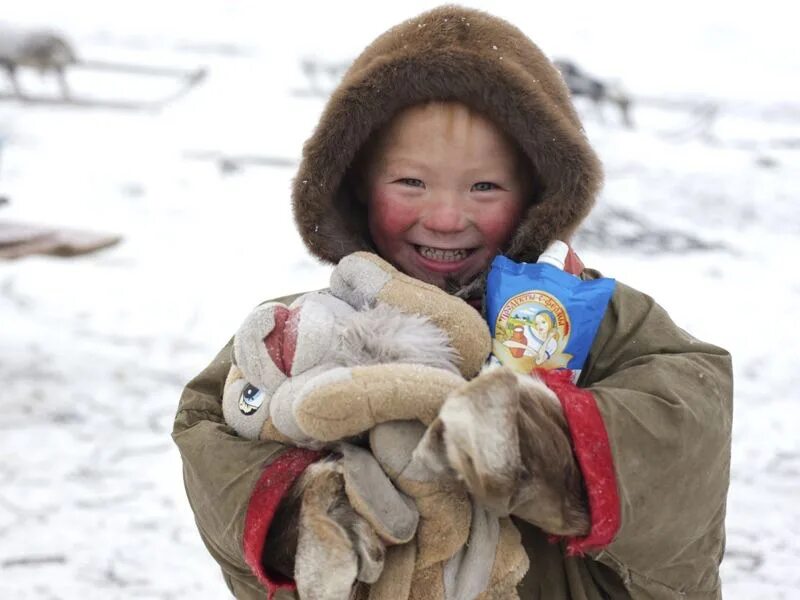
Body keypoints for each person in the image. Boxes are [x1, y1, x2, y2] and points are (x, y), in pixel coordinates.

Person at [172, 6, 733, 600]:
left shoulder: (594, 318)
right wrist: (301, 513)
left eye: (484, 186)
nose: (444, 218)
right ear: (356, 184)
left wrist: (543, 447)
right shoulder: (299, 330)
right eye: (411, 182)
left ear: (540, 193)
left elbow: (687, 421)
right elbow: (212, 433)